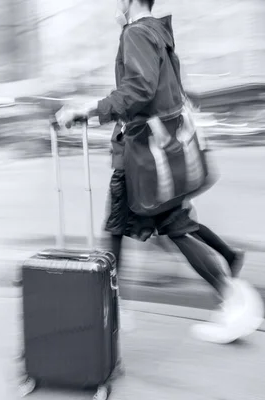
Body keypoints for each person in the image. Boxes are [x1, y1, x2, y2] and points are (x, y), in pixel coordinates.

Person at [57, 0, 261, 344]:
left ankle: (229, 298)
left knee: (135, 228)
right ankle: (229, 296)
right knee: (151, 227)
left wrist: (87, 109)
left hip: (140, 156)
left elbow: (138, 90)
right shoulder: (159, 33)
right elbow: (163, 92)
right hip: (154, 153)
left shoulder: (136, 33)